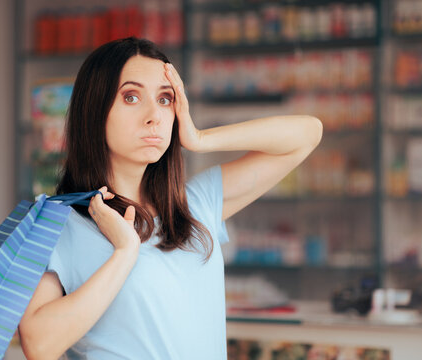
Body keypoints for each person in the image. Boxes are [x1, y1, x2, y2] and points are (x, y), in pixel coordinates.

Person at [18, 37, 322, 360]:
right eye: (131, 97)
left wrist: (200, 138)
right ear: (94, 109)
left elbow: (308, 133)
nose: (155, 116)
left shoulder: (195, 204)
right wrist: (125, 253)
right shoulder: (61, 223)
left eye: (165, 99)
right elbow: (38, 345)